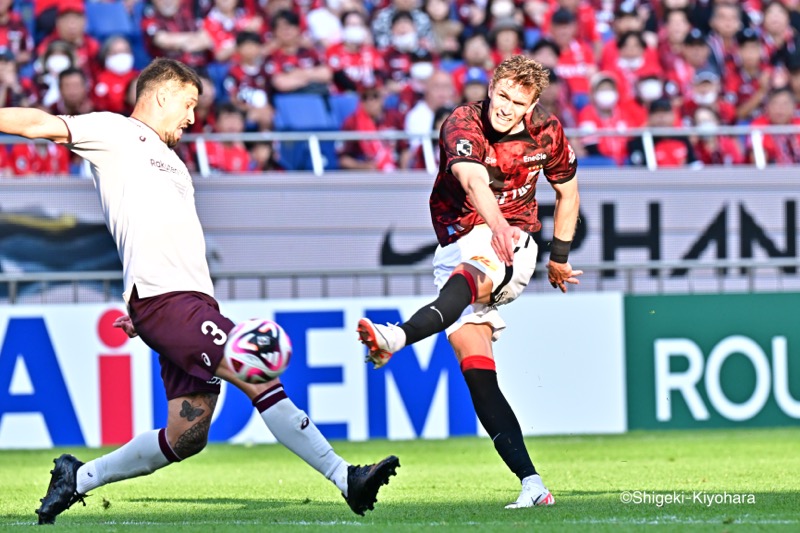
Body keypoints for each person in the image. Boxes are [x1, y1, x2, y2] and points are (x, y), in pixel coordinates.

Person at [0, 58, 399, 525]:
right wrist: (152, 304)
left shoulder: (172, 163)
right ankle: (344, 477)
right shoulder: (115, 131)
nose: (192, 117)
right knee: (257, 373)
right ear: (161, 94)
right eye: (188, 104)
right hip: (169, 303)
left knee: (187, 435)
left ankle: (77, 478)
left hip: (180, 302)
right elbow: (41, 125)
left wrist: (141, 303)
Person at [356, 55, 580, 509]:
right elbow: (473, 178)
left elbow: (568, 191)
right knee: (480, 378)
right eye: (502, 95)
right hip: (461, 243)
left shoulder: (549, 132)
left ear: (532, 103)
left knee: (470, 276)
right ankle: (532, 484)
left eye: (519, 102)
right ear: (491, 86)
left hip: (512, 243)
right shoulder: (462, 123)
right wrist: (493, 222)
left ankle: (396, 336)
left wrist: (558, 257)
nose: (506, 108)